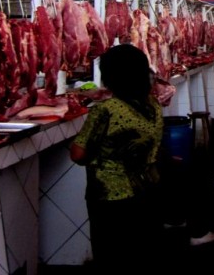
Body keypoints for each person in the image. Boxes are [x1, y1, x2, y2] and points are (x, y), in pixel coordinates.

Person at [69, 44, 163, 272]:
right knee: (140, 250)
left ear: (110, 76)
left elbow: (78, 154)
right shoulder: (152, 105)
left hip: (110, 194)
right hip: (147, 187)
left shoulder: (107, 109)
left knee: (111, 253)